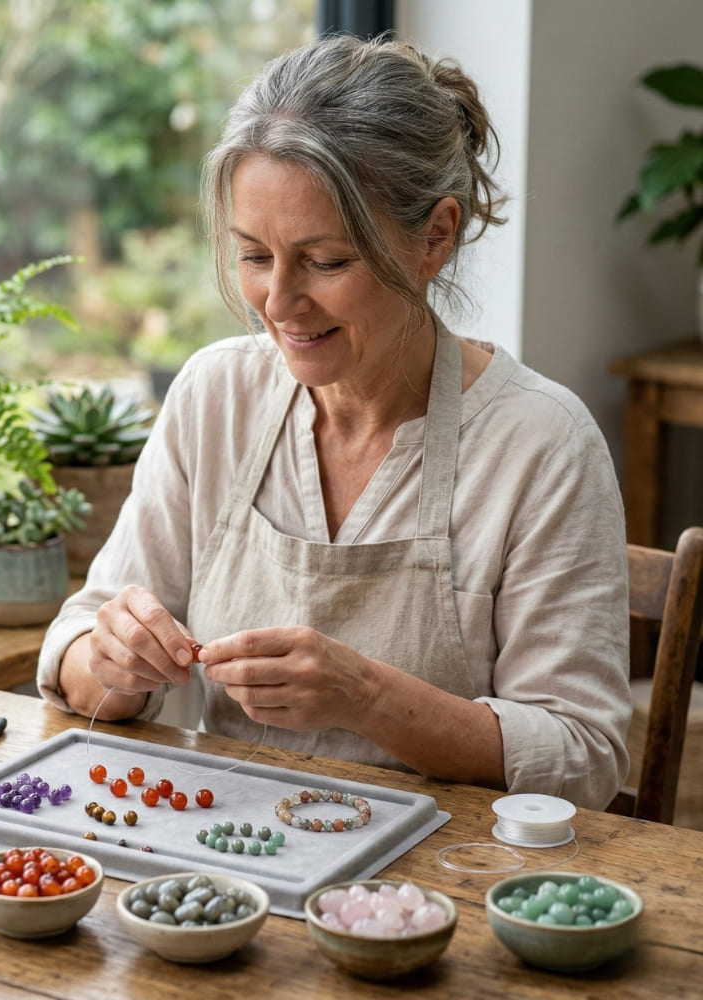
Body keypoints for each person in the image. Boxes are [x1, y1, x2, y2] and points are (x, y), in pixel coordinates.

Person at [37, 33, 631, 811]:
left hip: (439, 892)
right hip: (227, 865)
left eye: (325, 261)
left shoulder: (542, 443)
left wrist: (369, 698)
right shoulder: (215, 396)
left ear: (436, 237)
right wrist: (109, 660)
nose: (279, 303)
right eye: (254, 256)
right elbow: (79, 642)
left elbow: (584, 755)